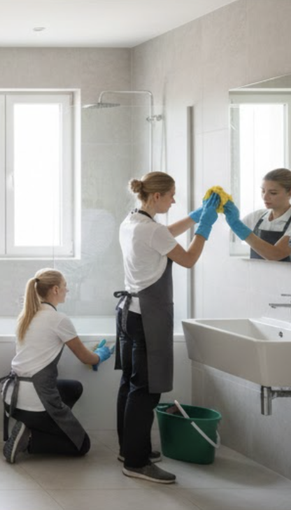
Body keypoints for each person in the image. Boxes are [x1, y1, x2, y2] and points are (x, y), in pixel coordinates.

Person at [115, 171, 218, 484]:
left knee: (130, 384)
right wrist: (204, 228)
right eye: (172, 195)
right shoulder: (152, 230)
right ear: (156, 196)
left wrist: (192, 217)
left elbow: (162, 236)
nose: (174, 200)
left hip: (128, 314)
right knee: (146, 389)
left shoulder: (132, 221)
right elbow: (186, 259)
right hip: (148, 316)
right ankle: (136, 461)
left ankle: (129, 449)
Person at [0, 269, 113, 464]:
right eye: (65, 287)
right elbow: (86, 358)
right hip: (35, 401)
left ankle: (34, 426)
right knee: (82, 445)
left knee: (73, 388)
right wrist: (101, 355)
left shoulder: (25, 316)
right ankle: (31, 439)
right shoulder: (58, 319)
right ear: (56, 289)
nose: (67, 291)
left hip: (12, 400)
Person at [223, 168, 291, 262]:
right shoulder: (257, 216)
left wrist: (240, 229)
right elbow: (229, 236)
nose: (265, 197)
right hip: (257, 275)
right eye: (263, 191)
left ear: (289, 192)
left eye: (273, 193)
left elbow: (276, 254)